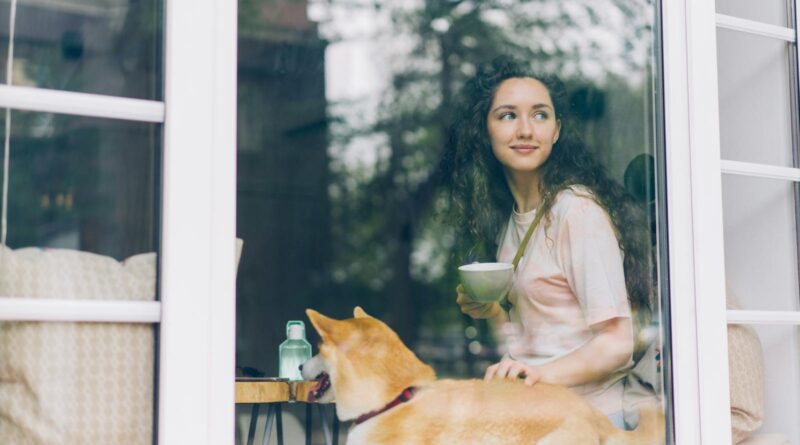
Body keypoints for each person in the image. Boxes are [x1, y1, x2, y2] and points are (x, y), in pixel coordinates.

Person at [442, 56, 654, 428]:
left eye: (540, 115)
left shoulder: (576, 212)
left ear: (556, 130)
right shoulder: (513, 223)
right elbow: (524, 347)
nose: (525, 129)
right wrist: (490, 310)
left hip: (594, 421)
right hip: (545, 420)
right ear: (484, 130)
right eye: (508, 115)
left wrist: (534, 376)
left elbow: (618, 343)